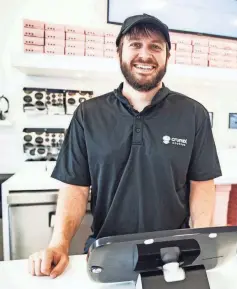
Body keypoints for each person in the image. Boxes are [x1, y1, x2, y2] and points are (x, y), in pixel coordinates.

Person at [27, 13, 222, 278]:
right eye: (135, 44)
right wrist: (59, 244)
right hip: (106, 253)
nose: (145, 55)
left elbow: (203, 186)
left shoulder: (194, 115)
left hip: (173, 257)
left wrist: (199, 241)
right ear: (119, 52)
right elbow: (75, 187)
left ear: (167, 56)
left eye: (156, 47)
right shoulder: (88, 115)